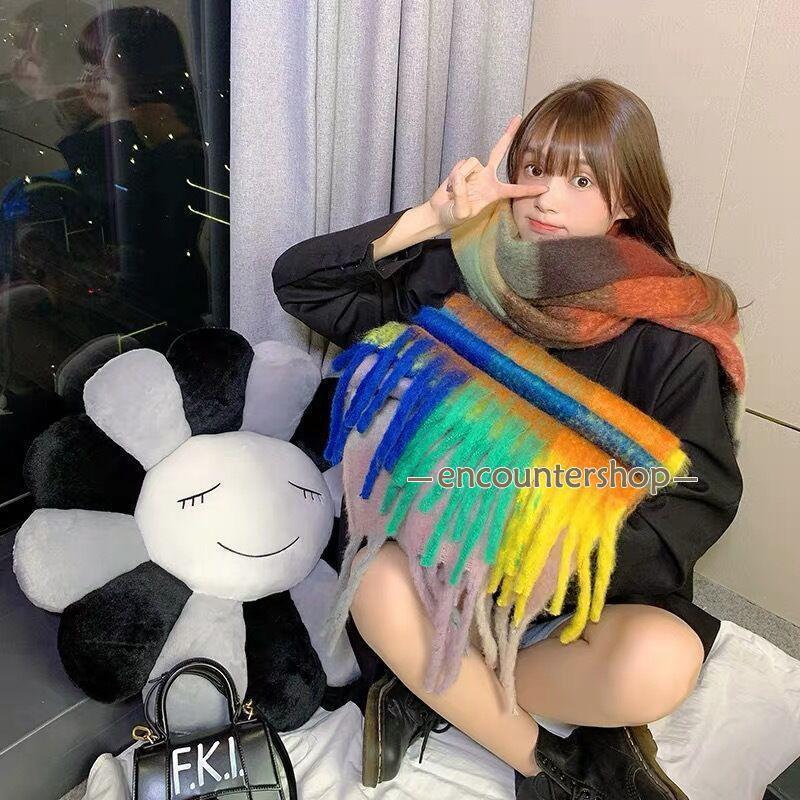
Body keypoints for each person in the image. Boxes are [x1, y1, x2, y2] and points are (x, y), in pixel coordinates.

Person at [272, 78, 743, 800]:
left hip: (575, 593)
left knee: (663, 661)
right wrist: (429, 218)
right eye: (533, 170)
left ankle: (434, 688)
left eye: (580, 180)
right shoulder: (464, 269)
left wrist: (530, 560)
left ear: (626, 200)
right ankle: (550, 769)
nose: (545, 198)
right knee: (373, 586)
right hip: (445, 576)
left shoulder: (670, 336)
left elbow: (692, 500)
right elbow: (303, 285)